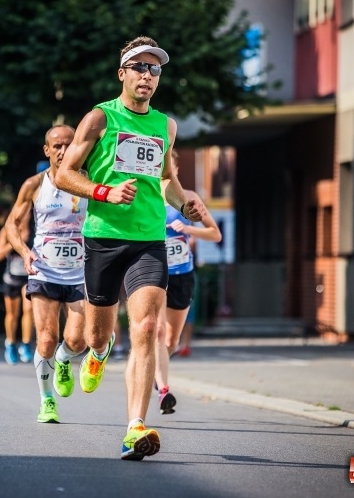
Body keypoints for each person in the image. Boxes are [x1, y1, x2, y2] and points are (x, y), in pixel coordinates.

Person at [55, 36, 206, 460]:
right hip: (103, 236)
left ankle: (134, 427)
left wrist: (184, 202)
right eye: (139, 67)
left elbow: (164, 180)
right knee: (97, 333)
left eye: (154, 69)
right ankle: (98, 353)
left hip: (147, 240)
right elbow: (66, 174)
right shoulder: (99, 119)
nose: (147, 75)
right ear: (122, 73)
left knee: (145, 329)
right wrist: (102, 191)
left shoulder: (165, 125)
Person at [5, 125, 88, 423]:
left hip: (80, 273)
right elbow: (11, 224)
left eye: (69, 144)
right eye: (58, 146)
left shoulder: (88, 181)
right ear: (47, 150)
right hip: (44, 271)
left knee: (77, 341)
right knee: (45, 339)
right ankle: (47, 400)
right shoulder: (34, 184)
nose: (64, 150)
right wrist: (24, 251)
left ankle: (65, 359)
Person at [154, 149, 221, 415]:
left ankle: (155, 371)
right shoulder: (148, 198)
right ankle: (163, 390)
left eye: (170, 167)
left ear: (176, 170)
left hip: (182, 273)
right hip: (156, 273)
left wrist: (188, 228)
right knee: (157, 331)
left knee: (171, 341)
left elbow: (214, 234)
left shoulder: (190, 198)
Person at [0, 211, 34, 365]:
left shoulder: (37, 229)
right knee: (12, 315)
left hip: (30, 276)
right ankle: (10, 343)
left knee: (29, 309)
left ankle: (26, 344)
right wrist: (15, 242)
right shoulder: (7, 230)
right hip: (12, 277)